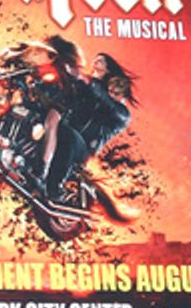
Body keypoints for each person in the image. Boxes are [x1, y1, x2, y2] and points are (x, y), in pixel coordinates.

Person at [41, 51, 137, 202]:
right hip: (67, 132)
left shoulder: (122, 114)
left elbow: (105, 99)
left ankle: (54, 187)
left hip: (84, 149)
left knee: (70, 136)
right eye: (110, 90)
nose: (111, 94)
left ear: (123, 95)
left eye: (115, 92)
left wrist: (85, 79)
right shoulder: (95, 95)